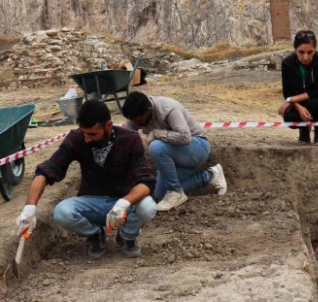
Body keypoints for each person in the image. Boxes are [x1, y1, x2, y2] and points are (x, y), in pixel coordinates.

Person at [15, 100, 157, 259]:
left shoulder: (130, 139)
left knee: (147, 206)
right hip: (91, 202)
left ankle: (127, 236)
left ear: (108, 126)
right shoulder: (76, 139)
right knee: (62, 213)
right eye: (84, 133)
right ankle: (95, 234)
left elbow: (146, 181)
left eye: (92, 134)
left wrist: (123, 203)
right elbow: (46, 170)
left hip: (122, 201)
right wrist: (29, 208)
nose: (87, 139)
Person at [121, 91, 227, 212]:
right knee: (160, 193)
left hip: (198, 148)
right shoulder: (134, 117)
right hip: (174, 156)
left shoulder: (168, 109)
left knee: (156, 147)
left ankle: (176, 192)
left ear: (149, 110)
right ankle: (211, 175)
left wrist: (157, 133)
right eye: (133, 120)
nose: (136, 123)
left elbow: (185, 137)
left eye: (138, 120)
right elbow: (127, 144)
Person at [279, 30, 318, 145]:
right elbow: (287, 91)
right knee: (289, 118)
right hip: (299, 103)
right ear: (295, 50)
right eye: (301, 52)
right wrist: (298, 108)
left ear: (315, 50)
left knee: (315, 105)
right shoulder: (287, 63)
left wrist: (291, 100)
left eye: (310, 52)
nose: (305, 57)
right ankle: (303, 129)